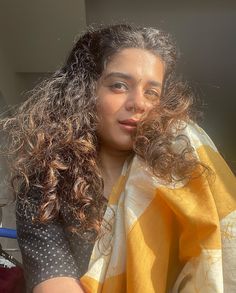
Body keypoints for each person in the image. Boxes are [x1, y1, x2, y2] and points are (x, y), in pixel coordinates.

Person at [0, 23, 235, 293]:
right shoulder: (45, 184)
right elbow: (55, 280)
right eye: (119, 85)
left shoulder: (182, 171)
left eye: (151, 92)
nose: (139, 103)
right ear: (85, 91)